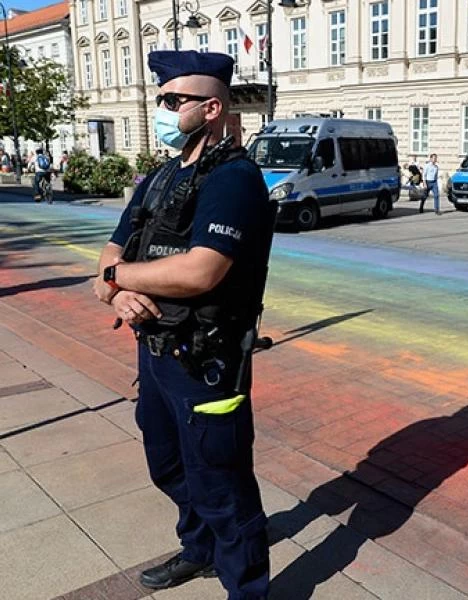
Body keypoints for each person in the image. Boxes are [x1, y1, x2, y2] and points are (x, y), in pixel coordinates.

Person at [92, 50, 274, 599]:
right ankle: (200, 551)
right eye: (162, 99)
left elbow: (201, 271)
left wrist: (121, 278)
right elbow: (103, 274)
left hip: (207, 362)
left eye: (175, 100)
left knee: (223, 487)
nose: (164, 109)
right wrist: (120, 294)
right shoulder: (158, 178)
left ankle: (246, 588)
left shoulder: (235, 179)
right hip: (155, 356)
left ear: (212, 107)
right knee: (168, 467)